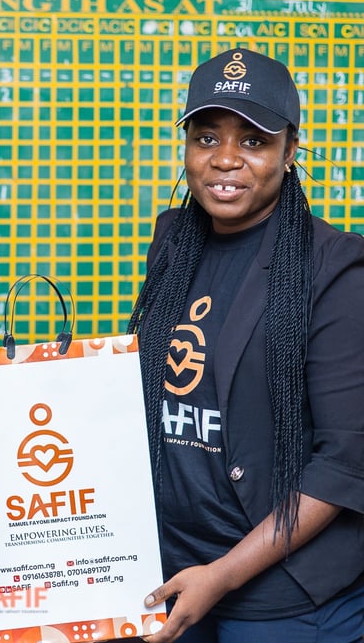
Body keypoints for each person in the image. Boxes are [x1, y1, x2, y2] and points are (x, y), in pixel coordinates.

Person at [127, 47, 364, 643]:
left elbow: (344, 462)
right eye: (206, 138)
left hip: (282, 600)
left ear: (290, 151)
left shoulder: (335, 268)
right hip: (171, 572)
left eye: (254, 141)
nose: (225, 159)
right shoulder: (173, 241)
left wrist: (223, 575)